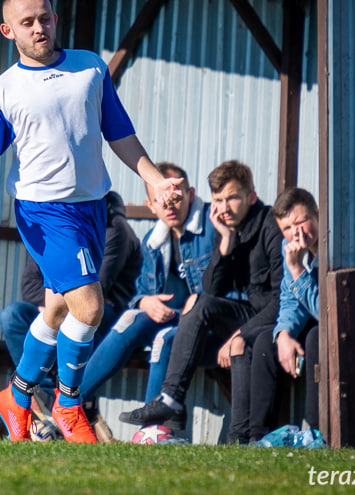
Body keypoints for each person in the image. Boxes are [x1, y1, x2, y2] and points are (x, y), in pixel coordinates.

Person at [0, 0, 180, 443]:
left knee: (58, 309)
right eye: (28, 22)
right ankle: (67, 404)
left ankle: (16, 398)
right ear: (9, 31)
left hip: (93, 209)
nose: (39, 27)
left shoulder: (90, 68)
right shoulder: (0, 94)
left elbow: (118, 132)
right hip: (44, 213)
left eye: (44, 17)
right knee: (89, 305)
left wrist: (153, 178)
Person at [119, 160, 283, 435]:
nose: (224, 207)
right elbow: (212, 290)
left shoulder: (270, 227)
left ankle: (240, 436)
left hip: (271, 320)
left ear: (251, 197)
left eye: (233, 198)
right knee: (199, 302)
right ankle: (170, 398)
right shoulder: (230, 228)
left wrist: (239, 334)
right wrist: (226, 241)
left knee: (236, 340)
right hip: (247, 313)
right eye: (219, 200)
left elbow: (281, 300)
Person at [78, 162, 215, 411]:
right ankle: (69, 402)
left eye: (174, 197)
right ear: (150, 205)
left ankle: (152, 428)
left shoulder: (211, 227)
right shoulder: (153, 241)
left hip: (207, 323)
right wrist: (144, 301)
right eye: (160, 200)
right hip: (172, 317)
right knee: (132, 316)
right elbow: (140, 288)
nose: (168, 206)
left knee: (164, 338)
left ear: (191, 194)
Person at [0, 191, 141, 367]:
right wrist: (53, 303)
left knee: (88, 314)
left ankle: (73, 390)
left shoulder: (114, 228)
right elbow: (29, 286)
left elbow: (95, 289)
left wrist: (57, 300)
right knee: (12, 315)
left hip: (103, 313)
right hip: (54, 304)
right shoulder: (56, 224)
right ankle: (43, 390)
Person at [233, 187, 320, 443]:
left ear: (317, 214)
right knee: (265, 342)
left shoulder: (331, 244)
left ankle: (317, 433)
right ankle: (259, 437)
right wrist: (283, 333)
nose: (297, 233)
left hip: (334, 327)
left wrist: (297, 270)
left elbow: (326, 311)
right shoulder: (288, 247)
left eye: (301, 221)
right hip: (306, 321)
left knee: (317, 336)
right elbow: (289, 300)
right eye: (288, 228)